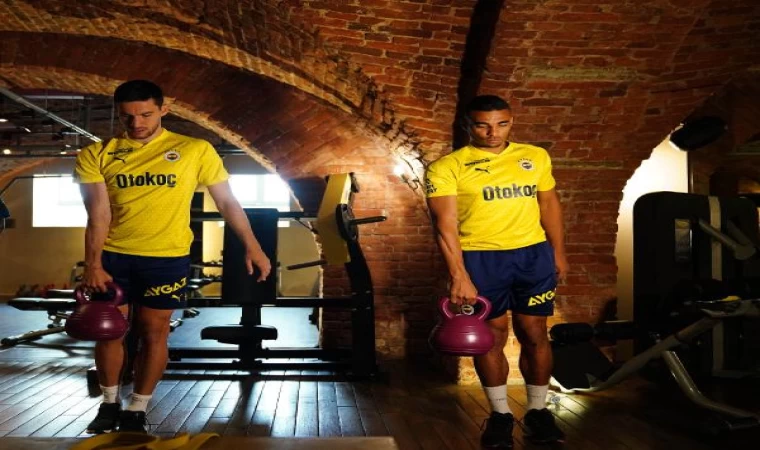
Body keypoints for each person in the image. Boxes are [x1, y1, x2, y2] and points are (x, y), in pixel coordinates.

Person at [74, 79, 271, 433]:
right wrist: (93, 263)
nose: (136, 123)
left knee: (155, 332)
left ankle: (137, 408)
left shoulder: (195, 149)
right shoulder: (96, 154)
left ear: (164, 109)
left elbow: (227, 201)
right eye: (127, 116)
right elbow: (98, 214)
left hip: (166, 258)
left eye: (145, 114)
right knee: (109, 332)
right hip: (115, 256)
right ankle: (109, 403)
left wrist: (253, 246)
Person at [425, 95, 569, 448]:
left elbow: (548, 203)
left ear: (511, 122)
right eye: (483, 125)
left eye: (502, 124)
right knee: (492, 336)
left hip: (532, 255)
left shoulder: (534, 156)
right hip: (481, 259)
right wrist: (459, 274)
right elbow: (445, 225)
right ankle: (501, 415)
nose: (493, 132)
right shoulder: (447, 167)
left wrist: (558, 252)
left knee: (535, 332)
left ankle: (538, 412)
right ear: (468, 126)